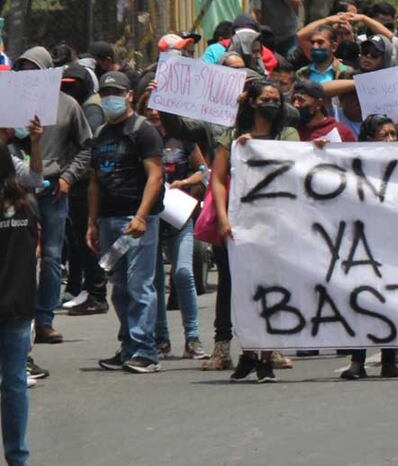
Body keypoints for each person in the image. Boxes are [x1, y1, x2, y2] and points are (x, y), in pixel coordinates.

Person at [213, 80, 300, 382]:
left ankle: (266, 356)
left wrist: (317, 150)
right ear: (251, 102)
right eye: (265, 98)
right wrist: (223, 218)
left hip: (278, 224)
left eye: (276, 99)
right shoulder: (233, 136)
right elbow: (218, 179)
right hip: (242, 224)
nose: (271, 104)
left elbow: (301, 166)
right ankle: (248, 352)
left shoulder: (286, 134)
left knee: (273, 288)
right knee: (244, 289)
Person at [12, 47, 92, 345]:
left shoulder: (68, 106)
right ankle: (19, 320)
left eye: (34, 70)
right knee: (17, 258)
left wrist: (70, 177)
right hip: (17, 191)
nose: (28, 76)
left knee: (51, 257)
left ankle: (44, 320)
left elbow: (86, 146)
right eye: (22, 70)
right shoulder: (9, 105)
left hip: (54, 190)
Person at [88, 72, 164, 374]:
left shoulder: (143, 131)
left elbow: (155, 176)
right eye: (105, 92)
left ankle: (146, 350)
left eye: (116, 92)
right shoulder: (102, 132)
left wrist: (142, 216)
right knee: (118, 287)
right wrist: (91, 222)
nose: (110, 97)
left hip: (136, 221)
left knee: (139, 285)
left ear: (130, 95)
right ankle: (129, 346)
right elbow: (94, 181)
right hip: (108, 219)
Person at [137, 94, 208, 360]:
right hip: (152, 217)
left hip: (179, 216)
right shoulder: (141, 142)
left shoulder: (184, 140)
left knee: (183, 274)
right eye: (149, 111)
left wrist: (187, 181)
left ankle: (193, 338)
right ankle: (161, 339)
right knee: (153, 280)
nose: (154, 115)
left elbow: (204, 170)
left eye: (159, 111)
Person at [339, 114, 398, 380]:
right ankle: (357, 360)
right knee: (361, 298)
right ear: (368, 139)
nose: (391, 140)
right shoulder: (355, 165)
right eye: (384, 135)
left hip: (395, 242)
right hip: (362, 242)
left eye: (393, 134)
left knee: (392, 298)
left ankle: (390, 357)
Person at [57, 63, 109, 316]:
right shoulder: (73, 105)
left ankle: (97, 293)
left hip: (85, 182)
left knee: (88, 239)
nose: (69, 90)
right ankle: (89, 288)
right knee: (80, 239)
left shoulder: (90, 109)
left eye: (73, 86)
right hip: (77, 181)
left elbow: (89, 145)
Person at [0, 143, 39, 466]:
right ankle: (18, 458)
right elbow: (34, 252)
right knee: (14, 383)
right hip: (19, 304)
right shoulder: (28, 205)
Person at [291, 80, 358, 142]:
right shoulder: (291, 131)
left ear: (318, 104)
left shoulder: (342, 132)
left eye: (301, 100)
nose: (295, 104)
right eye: (293, 100)